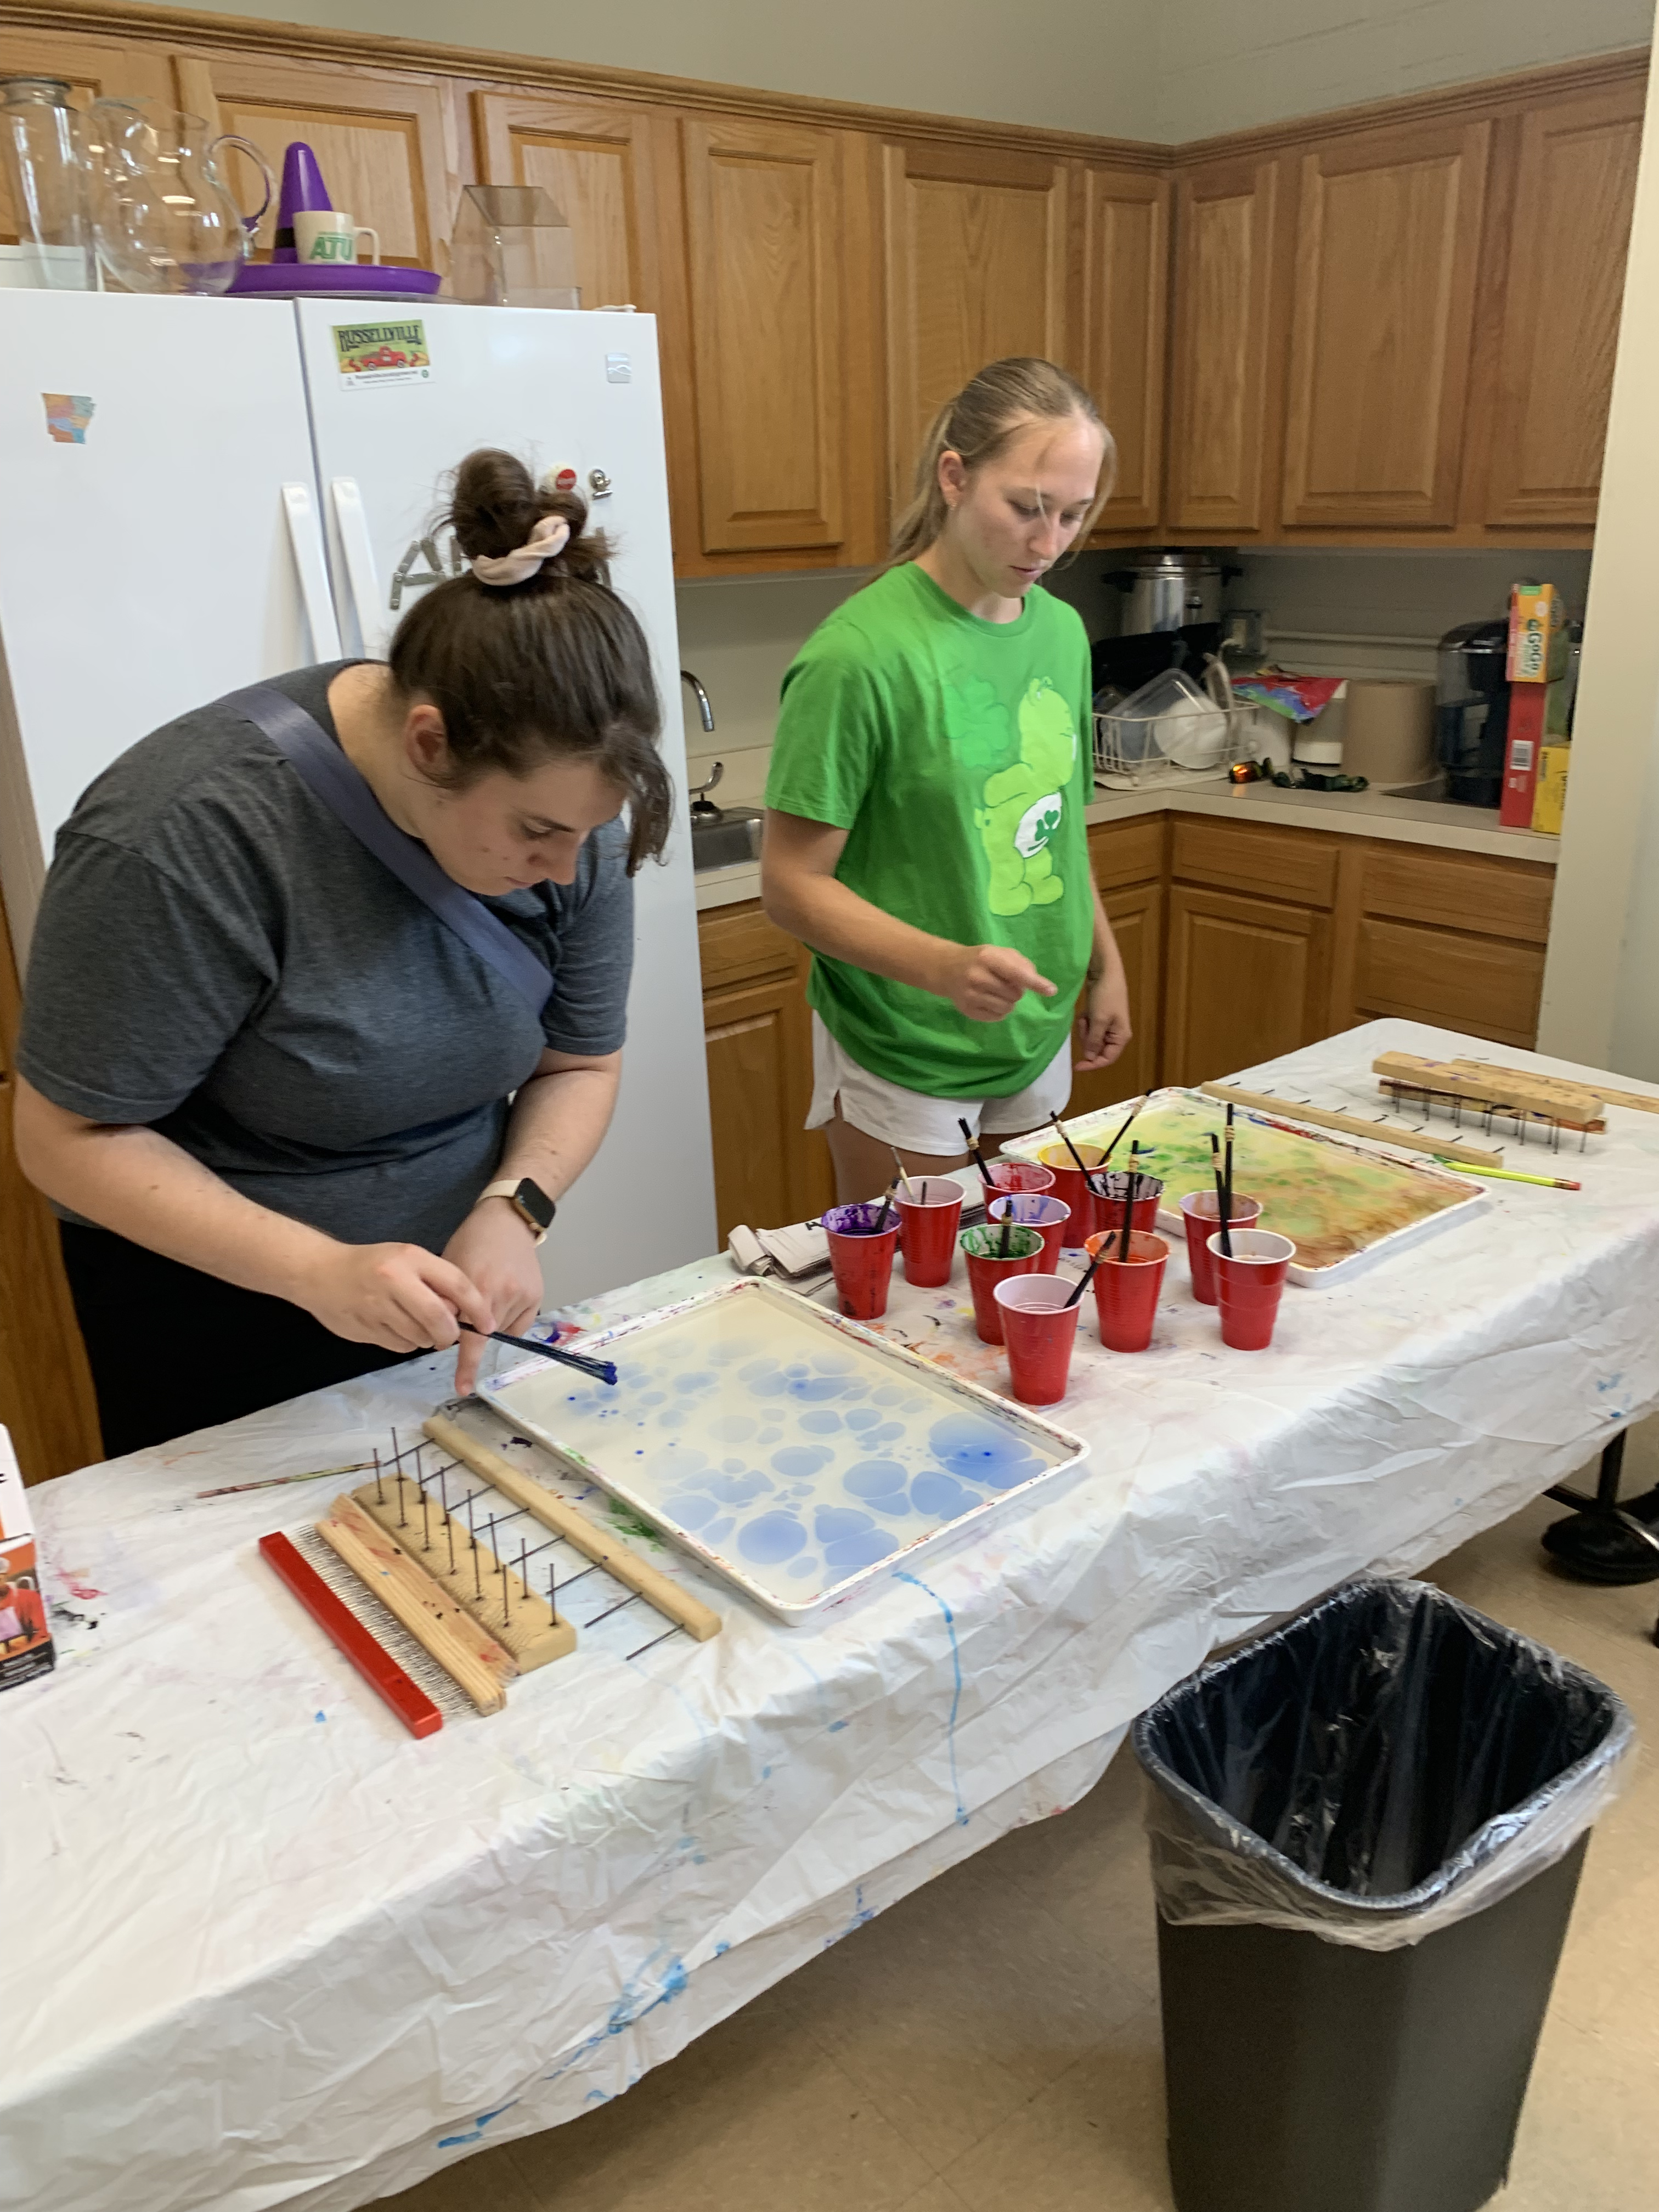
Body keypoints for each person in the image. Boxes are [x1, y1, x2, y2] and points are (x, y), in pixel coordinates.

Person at [14, 449, 669, 1458]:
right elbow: (69, 1140)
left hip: (443, 1300)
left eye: (590, 833)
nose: (563, 869)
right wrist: (319, 1270)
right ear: (426, 745)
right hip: (213, 1318)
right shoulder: (179, 837)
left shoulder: (571, 806)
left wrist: (514, 1208)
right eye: (538, 835)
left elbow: (579, 1061)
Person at [760, 358, 1131, 1204]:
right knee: (913, 1299)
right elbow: (788, 887)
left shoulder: (1064, 635)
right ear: (955, 477)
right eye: (1027, 508)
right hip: (908, 1040)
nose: (1049, 545)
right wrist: (943, 967)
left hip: (1034, 1029)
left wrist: (1103, 963)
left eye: (1074, 516)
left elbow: (1058, 821)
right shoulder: (859, 655)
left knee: (1020, 1279)